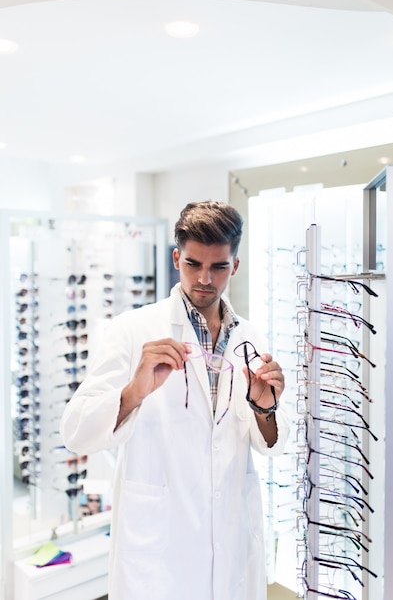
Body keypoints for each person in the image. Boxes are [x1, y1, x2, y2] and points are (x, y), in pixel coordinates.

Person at [60, 200, 290, 600]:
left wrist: (264, 406)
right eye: (192, 264)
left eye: (218, 266)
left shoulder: (250, 337)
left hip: (231, 542)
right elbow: (75, 432)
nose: (204, 278)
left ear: (235, 265)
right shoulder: (133, 330)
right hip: (159, 552)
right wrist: (134, 391)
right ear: (175, 258)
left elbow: (271, 444)